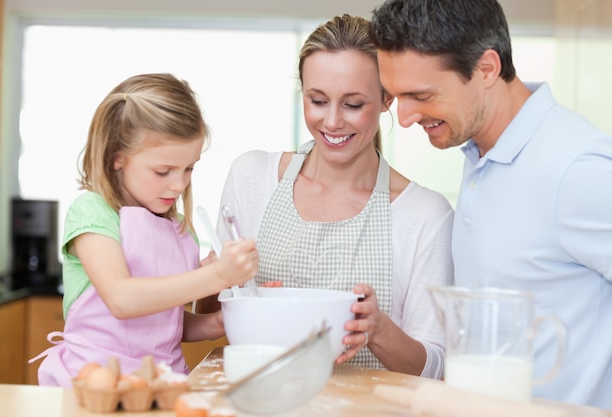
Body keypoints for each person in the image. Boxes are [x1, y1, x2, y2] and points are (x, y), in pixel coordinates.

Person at [370, 0, 612, 409]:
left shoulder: (576, 168)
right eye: (396, 96)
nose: (405, 117)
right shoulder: (482, 152)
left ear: (486, 69)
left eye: (420, 95)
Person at [216, 14, 454, 378]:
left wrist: (380, 331)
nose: (331, 122)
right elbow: (213, 312)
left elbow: (435, 367)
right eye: (318, 100)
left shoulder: (425, 214)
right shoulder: (251, 178)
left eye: (353, 104)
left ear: (387, 98)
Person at [30, 73, 259, 387]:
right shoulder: (93, 214)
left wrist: (226, 319)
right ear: (117, 159)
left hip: (162, 383)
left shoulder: (179, 231)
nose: (179, 184)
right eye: (163, 171)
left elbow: (164, 325)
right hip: (93, 386)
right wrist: (217, 276)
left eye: (189, 168)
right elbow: (123, 300)